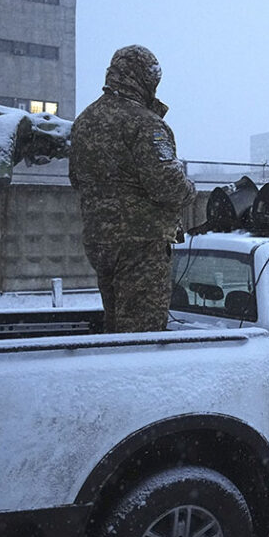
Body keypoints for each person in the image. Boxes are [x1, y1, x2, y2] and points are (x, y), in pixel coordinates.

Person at [69, 45, 193, 333]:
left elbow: (76, 177)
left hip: (99, 240)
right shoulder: (145, 123)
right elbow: (167, 185)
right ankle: (135, 379)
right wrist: (190, 190)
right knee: (141, 333)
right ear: (143, 78)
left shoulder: (85, 121)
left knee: (114, 326)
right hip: (141, 242)